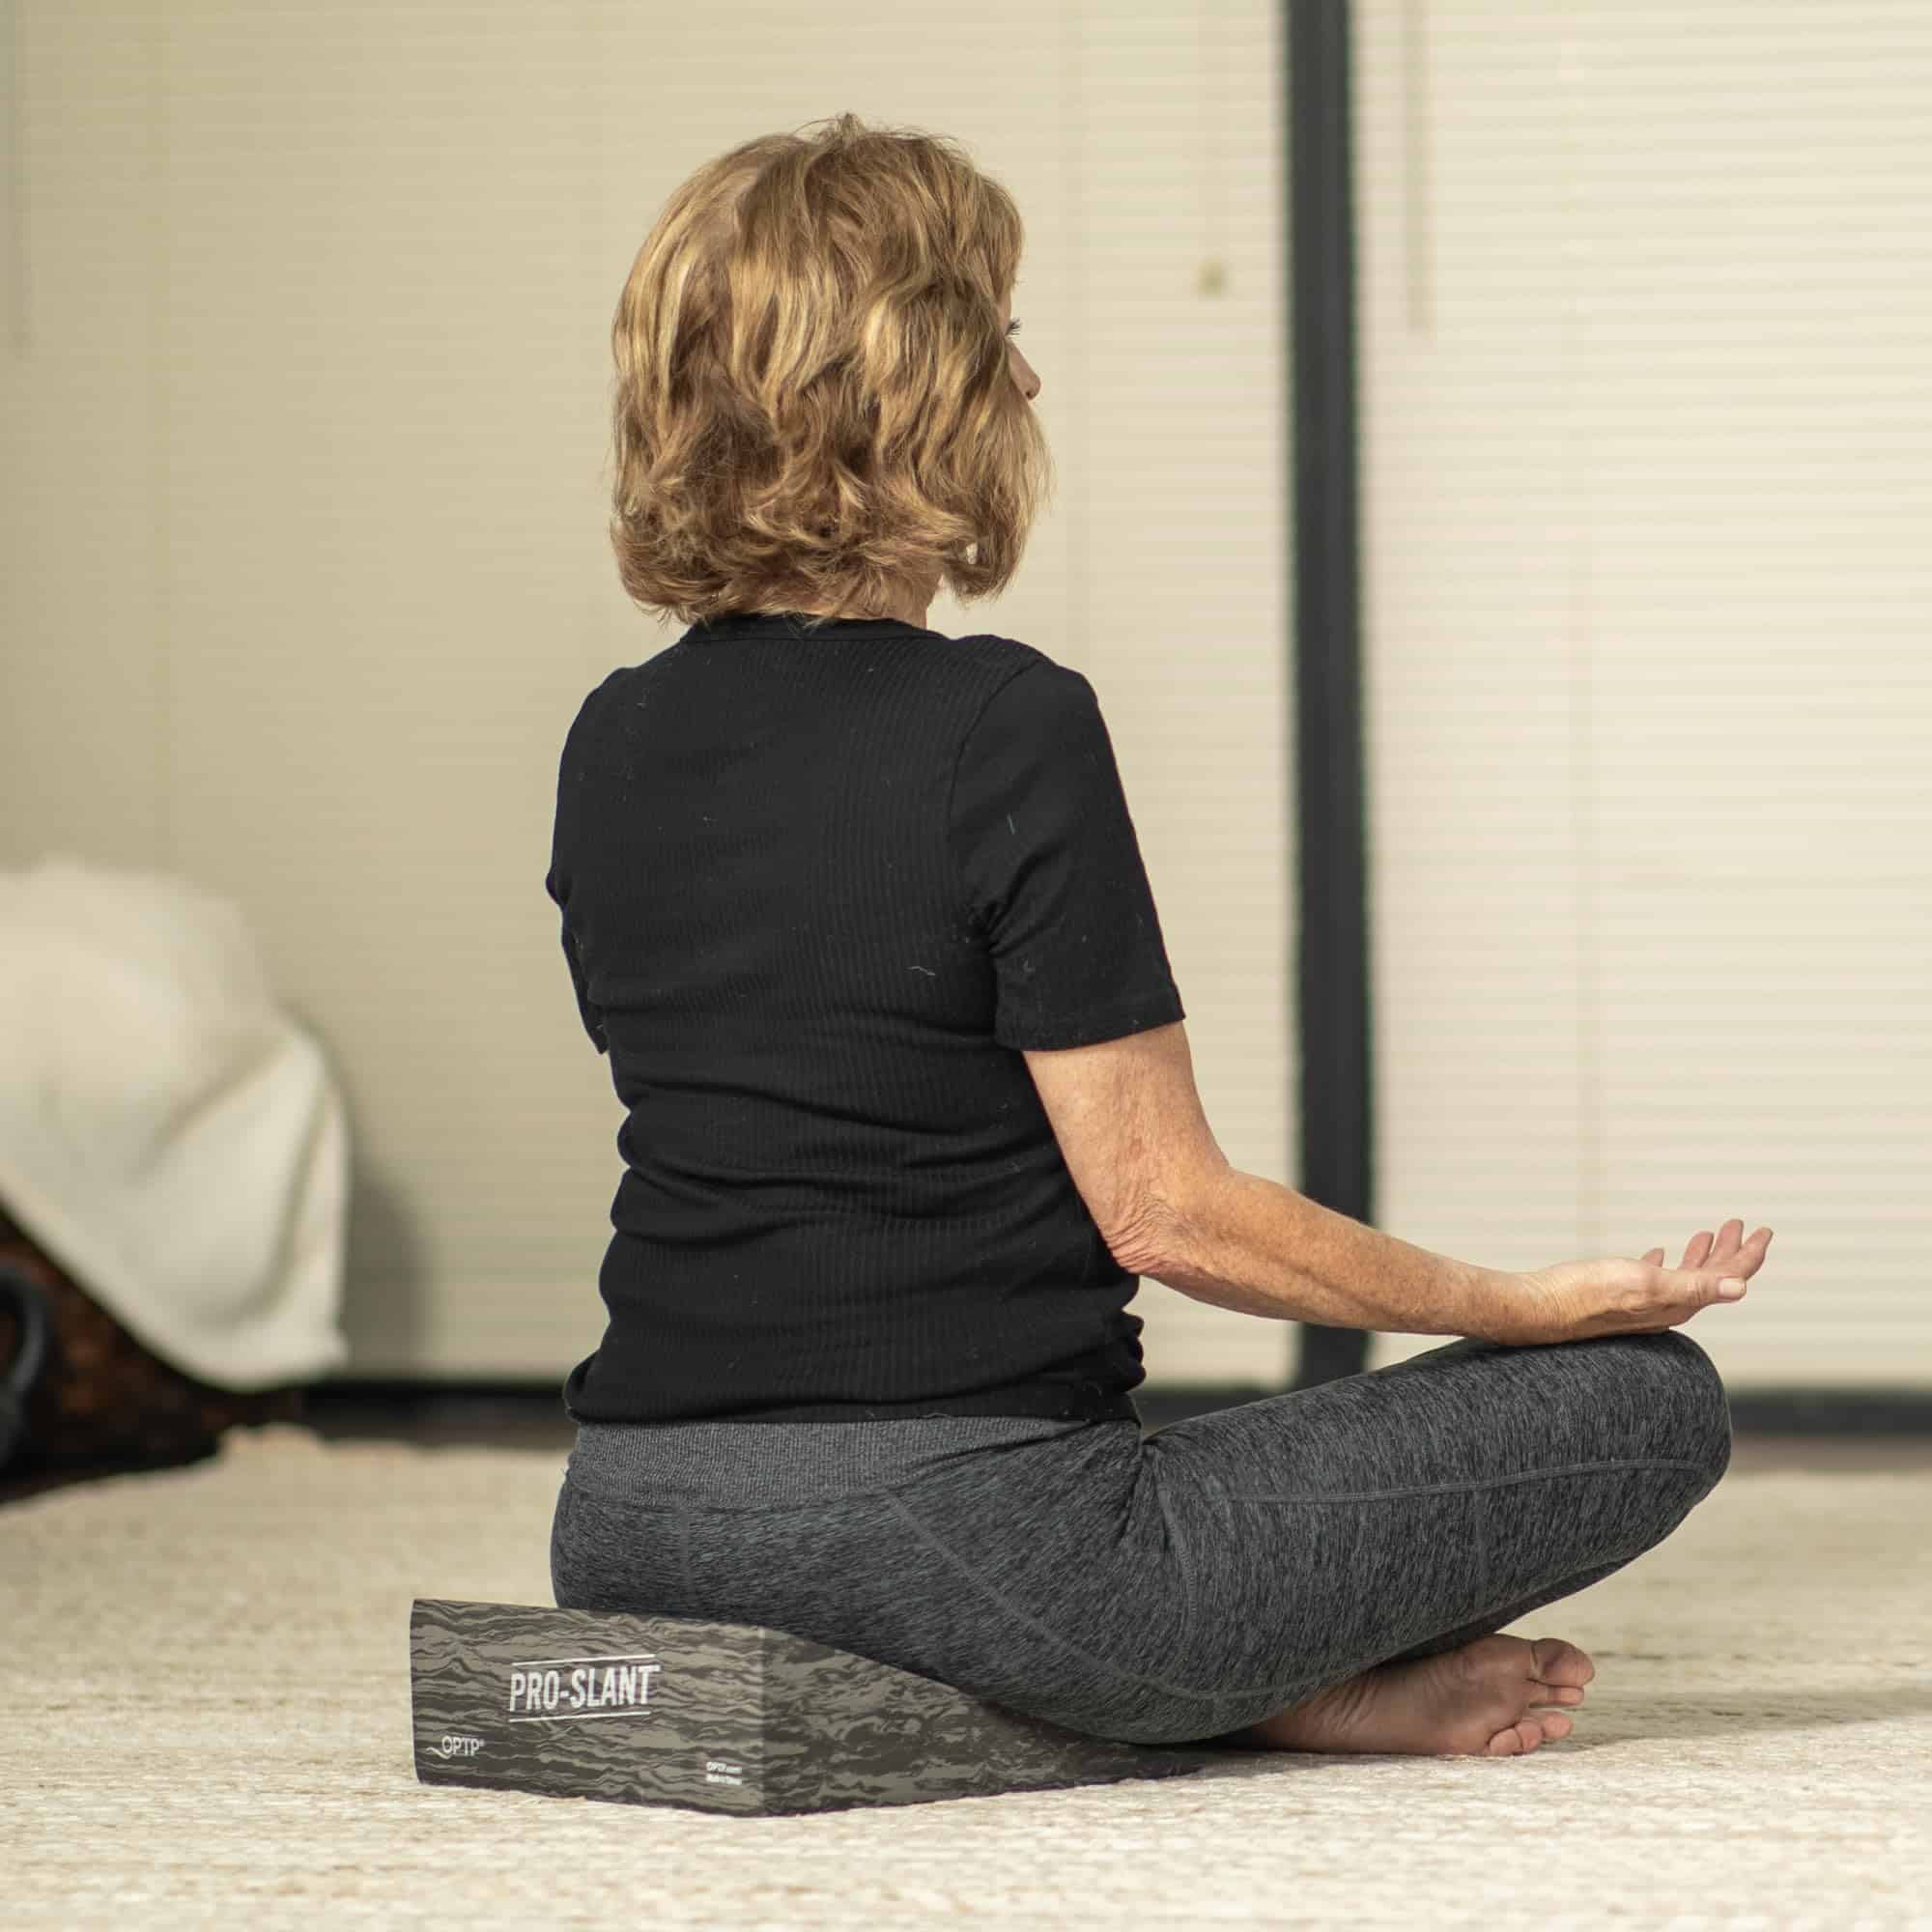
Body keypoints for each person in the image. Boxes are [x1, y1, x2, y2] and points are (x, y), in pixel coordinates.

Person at [544, 112, 1773, 1756]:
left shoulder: (610, 739)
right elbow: (1167, 1213)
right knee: (1647, 1402)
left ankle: (1193, 1674)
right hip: (974, 1535)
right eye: (998, 335)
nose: (1028, 379)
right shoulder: (1005, 721)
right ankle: (1228, 1685)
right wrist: (1523, 1303)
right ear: (910, 387)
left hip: (628, 1533)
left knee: (1102, 1522)